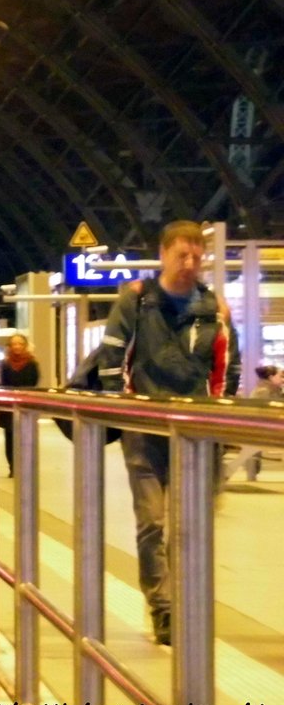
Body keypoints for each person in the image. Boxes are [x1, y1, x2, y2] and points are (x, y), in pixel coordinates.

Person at [95, 220, 240, 646]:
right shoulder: (137, 300)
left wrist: (216, 418)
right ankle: (163, 609)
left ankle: (184, 601)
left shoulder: (214, 309)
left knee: (190, 525)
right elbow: (111, 358)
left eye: (197, 256)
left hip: (195, 432)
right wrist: (125, 410)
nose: (190, 263)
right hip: (144, 431)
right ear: (163, 255)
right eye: (182, 255)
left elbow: (226, 369)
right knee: (153, 523)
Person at [0, 333, 40, 479]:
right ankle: (13, 467)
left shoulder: (32, 364)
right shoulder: (5, 364)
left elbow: (34, 383)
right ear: (10, 346)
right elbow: (3, 383)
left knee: (26, 436)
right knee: (10, 436)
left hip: (26, 405)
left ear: (25, 346)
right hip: (9, 406)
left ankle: (25, 465)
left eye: (20, 344)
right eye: (14, 344)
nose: (17, 347)